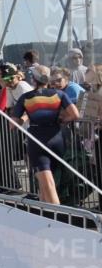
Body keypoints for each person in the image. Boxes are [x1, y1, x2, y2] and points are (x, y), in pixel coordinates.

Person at [11, 64, 80, 205]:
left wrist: (25, 116)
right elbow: (75, 114)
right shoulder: (59, 94)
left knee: (48, 182)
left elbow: (13, 124)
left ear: (33, 80)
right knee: (44, 180)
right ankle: (44, 211)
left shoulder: (26, 97)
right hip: (57, 138)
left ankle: (57, 215)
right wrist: (62, 120)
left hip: (37, 140)